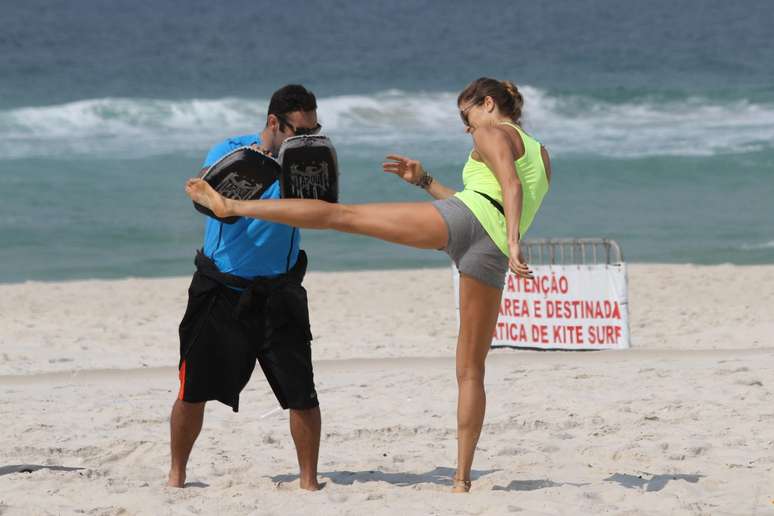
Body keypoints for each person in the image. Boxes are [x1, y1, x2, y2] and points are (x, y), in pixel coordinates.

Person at [185, 77, 552, 493]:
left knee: (344, 215)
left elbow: (509, 184)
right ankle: (461, 480)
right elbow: (489, 201)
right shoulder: (542, 154)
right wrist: (425, 182)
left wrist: (519, 243)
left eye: (466, 117)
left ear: (487, 103)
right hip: (491, 245)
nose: (468, 128)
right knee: (471, 369)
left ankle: (231, 204)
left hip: (478, 228)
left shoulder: (491, 130)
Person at [169, 84, 324, 491]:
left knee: (302, 394)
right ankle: (176, 476)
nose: (307, 139)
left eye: (314, 130)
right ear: (274, 122)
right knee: (192, 391)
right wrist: (237, 173)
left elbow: (322, 212)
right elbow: (205, 193)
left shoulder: (306, 163)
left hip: (281, 292)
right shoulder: (231, 149)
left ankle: (309, 482)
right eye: (299, 131)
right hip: (222, 291)